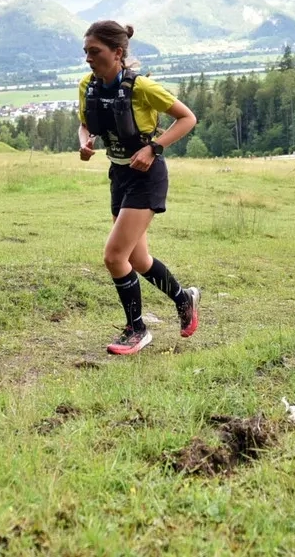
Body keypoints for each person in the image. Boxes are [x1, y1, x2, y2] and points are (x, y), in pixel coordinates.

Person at [78, 20, 200, 355]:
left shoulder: (142, 87)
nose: (88, 58)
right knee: (138, 257)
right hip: (119, 176)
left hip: (147, 177)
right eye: (86, 51)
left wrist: (154, 147)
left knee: (114, 256)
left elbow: (187, 118)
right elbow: (85, 124)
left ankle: (137, 329)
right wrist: (86, 142)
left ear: (117, 53)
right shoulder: (87, 86)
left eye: (95, 51)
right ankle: (183, 298)